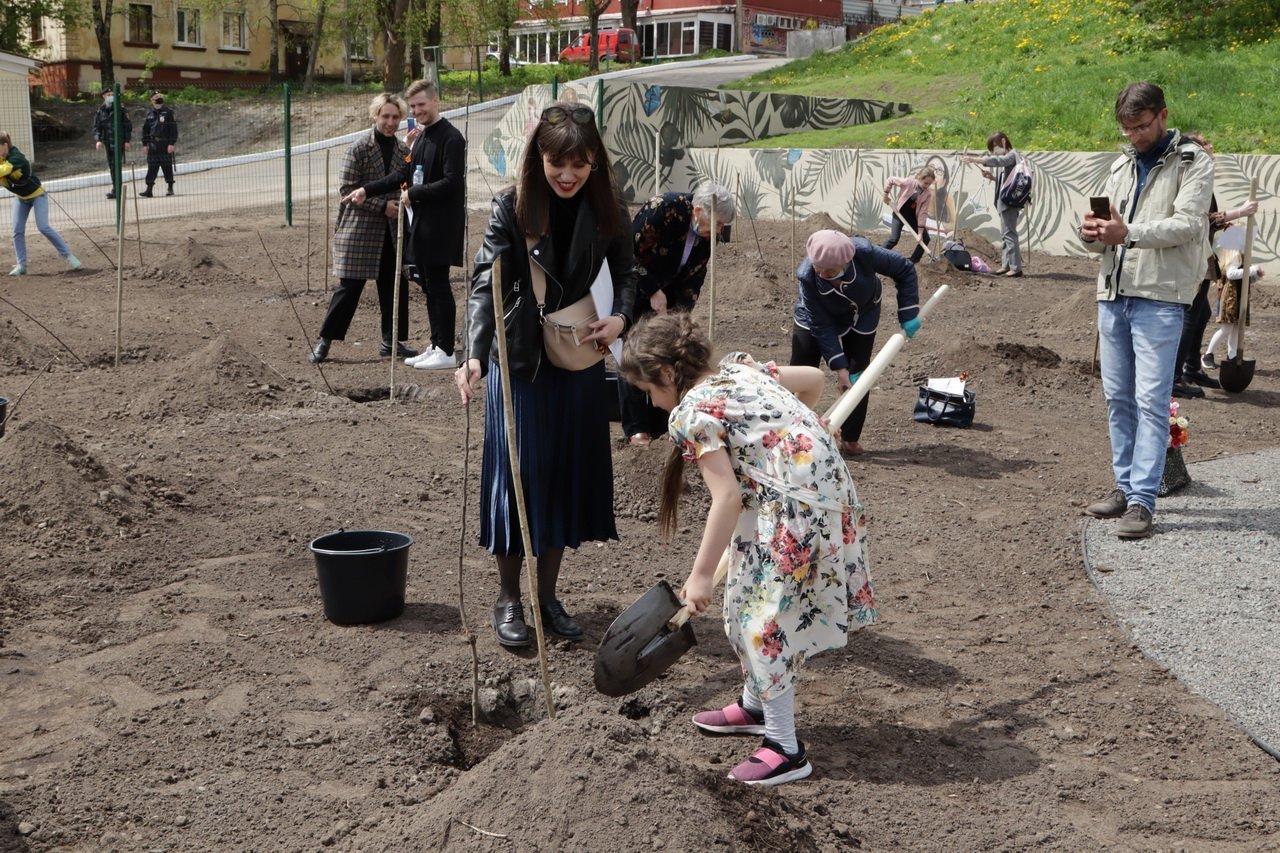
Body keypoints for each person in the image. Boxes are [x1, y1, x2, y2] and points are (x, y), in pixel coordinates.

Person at [618, 312, 875, 786]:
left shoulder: (691, 412)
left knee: (764, 621)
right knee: (741, 602)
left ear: (669, 374)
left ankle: (785, 748)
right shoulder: (737, 369)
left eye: (649, 391)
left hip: (800, 509)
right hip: (803, 495)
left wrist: (698, 576)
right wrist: (800, 433)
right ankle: (756, 705)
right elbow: (813, 379)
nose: (652, 403)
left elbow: (727, 497)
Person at [455, 102, 637, 648]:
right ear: (540, 157)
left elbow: (628, 272)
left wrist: (621, 317)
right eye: (558, 162)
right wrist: (472, 353)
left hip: (579, 354)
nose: (567, 175)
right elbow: (486, 282)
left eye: (579, 164)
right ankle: (509, 599)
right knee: (521, 477)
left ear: (594, 163)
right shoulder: (510, 207)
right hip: (521, 363)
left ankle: (547, 595)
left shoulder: (608, 208)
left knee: (562, 476)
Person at [1081, 81, 1214, 539]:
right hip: (1113, 293)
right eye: (1127, 128)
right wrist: (1094, 234)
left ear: (1162, 114)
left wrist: (1127, 232)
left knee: (1151, 402)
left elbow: (1186, 225)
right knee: (1117, 398)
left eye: (1140, 126)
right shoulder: (1120, 163)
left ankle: (1143, 500)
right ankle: (1123, 486)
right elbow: (1111, 228)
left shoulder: (1193, 161)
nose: (1134, 136)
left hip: (1160, 297)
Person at [343, 79, 465, 369]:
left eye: (421, 105)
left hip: (440, 226)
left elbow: (452, 182)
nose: (417, 110)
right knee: (429, 286)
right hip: (421, 224)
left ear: (436, 101)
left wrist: (414, 192)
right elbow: (403, 172)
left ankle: (447, 351)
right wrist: (367, 189)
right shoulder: (421, 137)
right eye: (412, 106)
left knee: (439, 285)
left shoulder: (451, 138)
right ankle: (436, 343)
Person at [620, 183, 735, 446]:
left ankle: (662, 424)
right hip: (635, 288)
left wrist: (679, 315)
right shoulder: (664, 209)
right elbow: (627, 254)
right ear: (697, 210)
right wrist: (652, 290)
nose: (719, 232)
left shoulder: (707, 237)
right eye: (717, 224)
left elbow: (695, 277)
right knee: (634, 351)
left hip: (669, 296)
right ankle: (636, 427)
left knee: (665, 355)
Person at [790, 229, 920, 457]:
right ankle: (791, 431)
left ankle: (850, 438)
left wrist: (908, 312)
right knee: (802, 368)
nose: (821, 274)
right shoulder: (807, 275)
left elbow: (905, 269)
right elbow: (820, 325)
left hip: (862, 310)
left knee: (858, 373)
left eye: (829, 271)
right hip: (814, 316)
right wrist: (839, 367)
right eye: (818, 268)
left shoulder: (865, 252)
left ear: (846, 262)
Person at [308, 94, 414, 364]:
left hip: (392, 230)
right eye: (385, 116)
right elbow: (346, 189)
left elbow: (406, 184)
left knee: (394, 285)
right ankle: (325, 341)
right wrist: (382, 206)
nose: (390, 122)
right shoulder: (359, 148)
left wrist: (400, 203)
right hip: (360, 230)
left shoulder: (404, 151)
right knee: (349, 288)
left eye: (395, 117)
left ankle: (392, 341)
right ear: (375, 116)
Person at [1171, 131, 1257, 397]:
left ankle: (1192, 367)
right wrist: (1239, 212)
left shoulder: (1202, 177)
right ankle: (1173, 377)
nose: (1211, 150)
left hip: (1204, 253)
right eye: (1206, 147)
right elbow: (1202, 219)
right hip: (1192, 255)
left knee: (1203, 312)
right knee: (1191, 314)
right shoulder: (1191, 178)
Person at [1, 132, 81, 276]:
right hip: (21, 198)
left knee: (43, 226)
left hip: (38, 196)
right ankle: (22, 265)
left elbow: (4, 170)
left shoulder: (16, 157)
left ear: (5, 145)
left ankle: (69, 256)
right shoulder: (2, 158)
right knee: (17, 231)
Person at [962, 132, 1025, 277]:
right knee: (1005, 234)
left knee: (1009, 234)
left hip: (1009, 203)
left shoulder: (1012, 156)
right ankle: (1006, 265)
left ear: (1004, 141)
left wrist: (974, 159)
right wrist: (992, 177)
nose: (994, 151)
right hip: (1004, 202)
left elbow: (999, 161)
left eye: (995, 146)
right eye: (992, 148)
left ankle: (1016, 268)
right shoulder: (1008, 159)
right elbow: (1008, 181)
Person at [1203, 247, 1264, 366]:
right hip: (1230, 297)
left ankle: (1232, 356)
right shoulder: (1234, 254)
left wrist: (1256, 275)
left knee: (1236, 327)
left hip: (1239, 295)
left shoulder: (1242, 255)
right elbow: (1231, 274)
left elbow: (1245, 278)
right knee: (1227, 329)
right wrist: (1252, 269)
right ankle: (1207, 355)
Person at [881, 165, 935, 264]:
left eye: (929, 184)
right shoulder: (909, 183)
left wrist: (919, 233)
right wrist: (885, 194)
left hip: (912, 218)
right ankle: (877, 252)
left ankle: (913, 260)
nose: (926, 186)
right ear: (920, 178)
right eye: (925, 183)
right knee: (894, 239)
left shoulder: (927, 194)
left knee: (925, 238)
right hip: (899, 214)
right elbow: (891, 180)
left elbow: (923, 213)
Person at [92, 87, 132, 200]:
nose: (110, 96)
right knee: (112, 166)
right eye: (108, 94)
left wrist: (127, 141)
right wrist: (98, 140)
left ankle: (117, 190)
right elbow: (96, 127)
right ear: (103, 96)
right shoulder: (100, 111)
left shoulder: (120, 109)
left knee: (116, 166)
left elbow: (127, 127)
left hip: (119, 142)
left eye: (112, 94)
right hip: (108, 142)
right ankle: (116, 188)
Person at [139, 90, 178, 197]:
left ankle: (170, 187)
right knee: (152, 166)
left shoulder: (168, 112)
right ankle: (149, 189)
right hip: (153, 144)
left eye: (159, 96)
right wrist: (145, 144)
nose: (159, 97)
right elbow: (145, 130)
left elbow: (173, 129)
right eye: (156, 96)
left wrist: (171, 143)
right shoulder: (149, 113)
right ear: (152, 100)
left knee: (167, 166)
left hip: (165, 143)